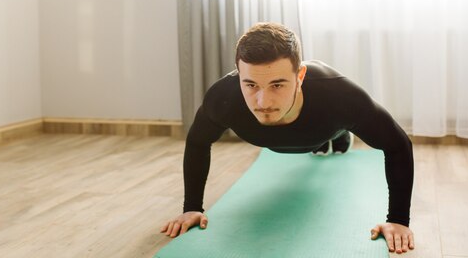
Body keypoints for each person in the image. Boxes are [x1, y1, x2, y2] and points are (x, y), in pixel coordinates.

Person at [161, 23, 415, 254]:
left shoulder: (340, 96)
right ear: (238, 74)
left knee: (331, 136)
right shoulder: (223, 98)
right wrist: (192, 207)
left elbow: (397, 144)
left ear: (300, 77)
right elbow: (198, 142)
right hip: (290, 136)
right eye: (250, 85)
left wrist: (398, 220)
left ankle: (339, 137)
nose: (263, 102)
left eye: (277, 85)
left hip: (325, 127)